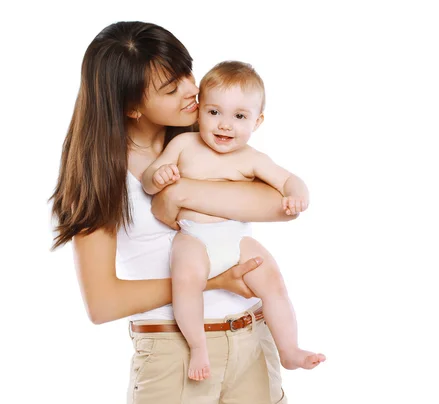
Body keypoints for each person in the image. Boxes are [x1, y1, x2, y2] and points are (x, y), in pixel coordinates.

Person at [51, 21, 299, 403]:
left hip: (253, 337)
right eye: (171, 88)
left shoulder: (209, 139)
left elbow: (281, 208)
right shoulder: (101, 175)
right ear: (132, 107)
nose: (191, 90)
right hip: (174, 353)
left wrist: (181, 192)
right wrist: (213, 281)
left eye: (187, 71)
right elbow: (102, 303)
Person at [141, 60, 326, 381]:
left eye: (239, 116)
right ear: (198, 111)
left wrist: (299, 195)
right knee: (186, 283)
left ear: (258, 121)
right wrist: (158, 176)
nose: (225, 125)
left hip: (235, 239)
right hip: (193, 236)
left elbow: (290, 180)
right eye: (214, 112)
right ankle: (198, 346)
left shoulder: (252, 158)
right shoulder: (184, 144)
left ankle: (290, 350)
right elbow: (148, 180)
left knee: (275, 285)